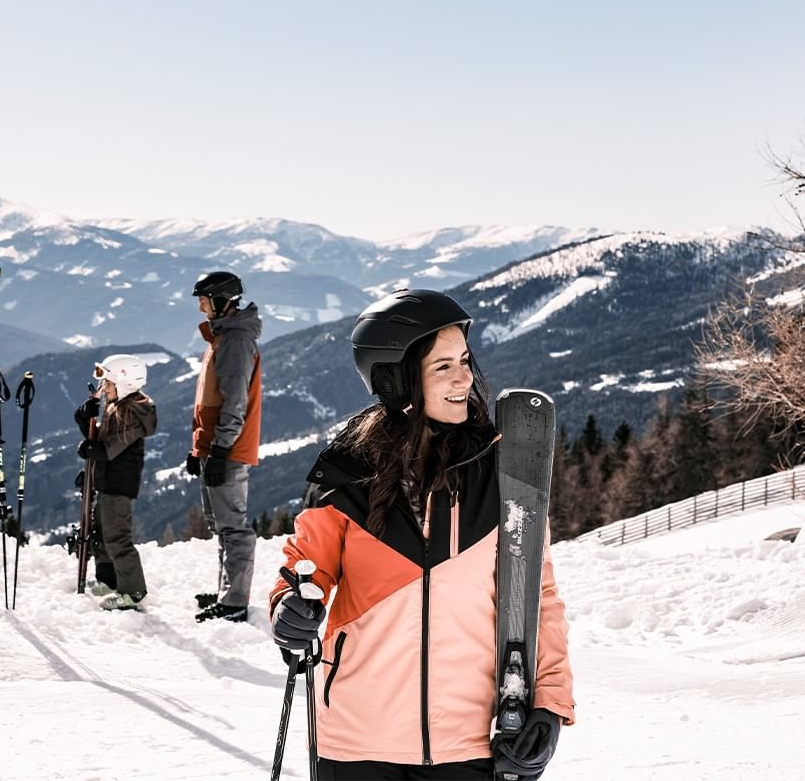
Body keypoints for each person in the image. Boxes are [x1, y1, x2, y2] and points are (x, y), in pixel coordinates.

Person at [269, 289, 575, 780]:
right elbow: (306, 565)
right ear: (398, 381)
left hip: (469, 745)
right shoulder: (348, 473)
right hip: (357, 744)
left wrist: (549, 703)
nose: (464, 378)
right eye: (443, 367)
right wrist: (291, 604)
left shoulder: (502, 473)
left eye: (465, 361)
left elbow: (537, 600)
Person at [184, 270, 262, 622]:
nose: (199, 306)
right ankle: (225, 592)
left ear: (220, 300)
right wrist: (198, 448)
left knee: (234, 527)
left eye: (203, 299)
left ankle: (234, 602)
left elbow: (235, 403)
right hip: (214, 446)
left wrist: (219, 451)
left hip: (227, 449)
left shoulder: (235, 341)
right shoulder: (221, 338)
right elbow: (208, 400)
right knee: (221, 524)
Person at [74, 353, 158, 612]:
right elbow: (99, 439)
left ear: (124, 382)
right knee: (102, 531)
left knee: (117, 537)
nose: (104, 388)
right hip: (107, 481)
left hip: (119, 485)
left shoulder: (133, 412)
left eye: (108, 383)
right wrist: (83, 416)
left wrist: (91, 451)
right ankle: (110, 580)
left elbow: (110, 448)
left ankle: (132, 592)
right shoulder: (117, 407)